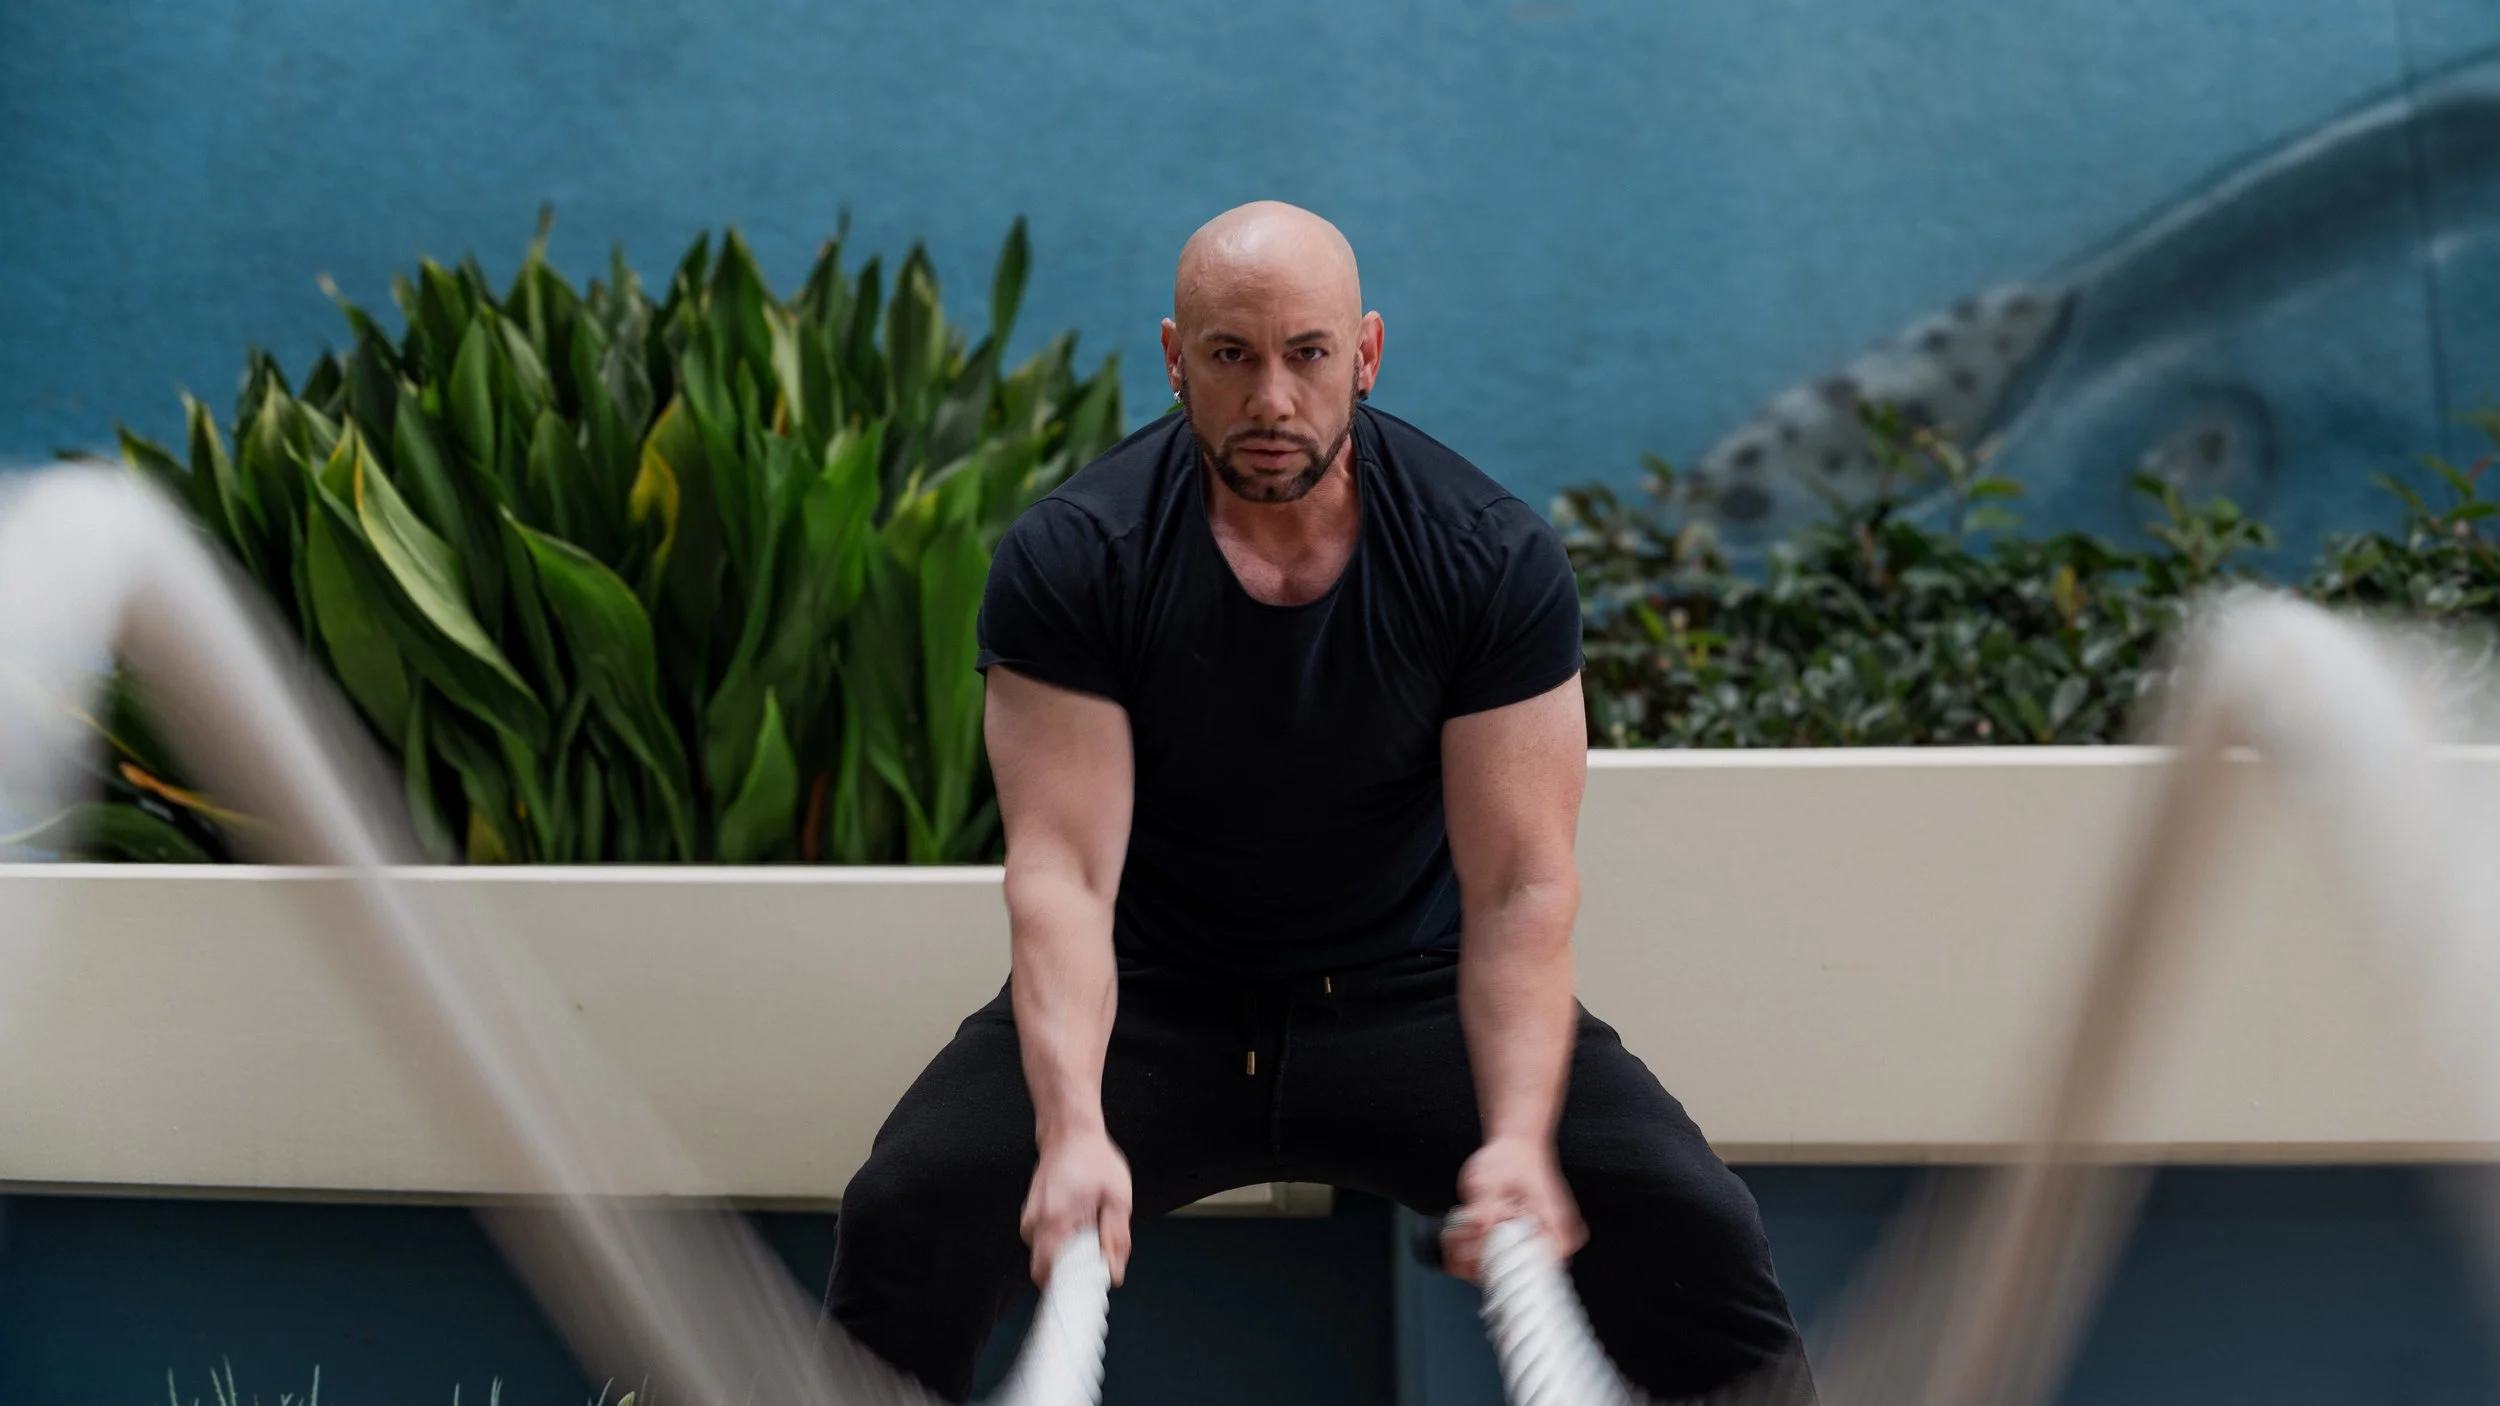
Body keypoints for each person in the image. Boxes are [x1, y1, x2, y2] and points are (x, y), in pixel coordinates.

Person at [829, 201, 1812, 1401]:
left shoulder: (1484, 555)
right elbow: (1064, 877)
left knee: (1685, 1216)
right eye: (1231, 356)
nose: (1271, 401)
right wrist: (1073, 1123)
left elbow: (1518, 885)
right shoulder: (1080, 553)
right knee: (911, 1205)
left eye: (1307, 352)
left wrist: (1512, 1133)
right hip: (1157, 1000)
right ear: (1175, 356)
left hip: (1409, 993)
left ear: (1367, 353)